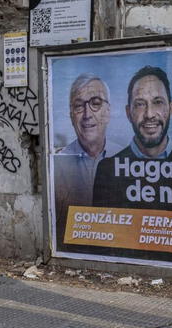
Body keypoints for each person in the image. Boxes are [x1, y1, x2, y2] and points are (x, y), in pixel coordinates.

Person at [54, 73, 118, 239]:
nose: (87, 114)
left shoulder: (125, 158)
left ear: (108, 111)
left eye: (96, 103)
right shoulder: (58, 163)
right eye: (79, 106)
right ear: (71, 115)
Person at [114, 65, 172, 159]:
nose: (149, 114)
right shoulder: (110, 167)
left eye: (158, 102)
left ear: (171, 109)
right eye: (140, 104)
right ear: (128, 113)